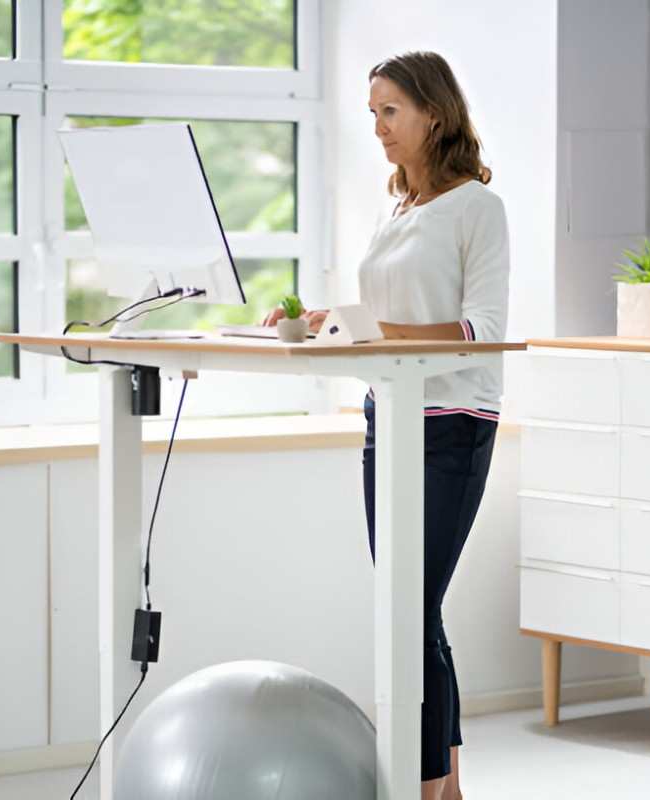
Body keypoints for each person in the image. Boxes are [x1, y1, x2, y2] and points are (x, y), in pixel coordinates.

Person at [263, 50, 509, 800]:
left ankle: (421, 784)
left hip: (455, 421)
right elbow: (376, 325)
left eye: (390, 111)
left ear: (434, 112)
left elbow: (483, 329)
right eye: (370, 113)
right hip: (388, 418)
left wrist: (377, 333)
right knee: (414, 608)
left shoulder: (476, 207)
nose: (377, 128)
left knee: (408, 609)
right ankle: (448, 786)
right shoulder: (396, 206)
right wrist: (317, 323)